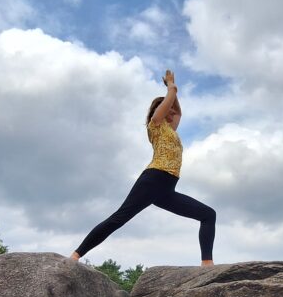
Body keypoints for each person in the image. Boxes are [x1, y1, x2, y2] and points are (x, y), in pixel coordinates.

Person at [69, 70, 216, 266]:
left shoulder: (170, 129)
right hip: (153, 180)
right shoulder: (155, 124)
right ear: (160, 110)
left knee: (208, 214)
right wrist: (171, 87)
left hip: (166, 189)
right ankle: (76, 255)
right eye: (168, 109)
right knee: (118, 219)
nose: (173, 112)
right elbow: (169, 107)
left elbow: (179, 112)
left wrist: (173, 94)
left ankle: (207, 263)